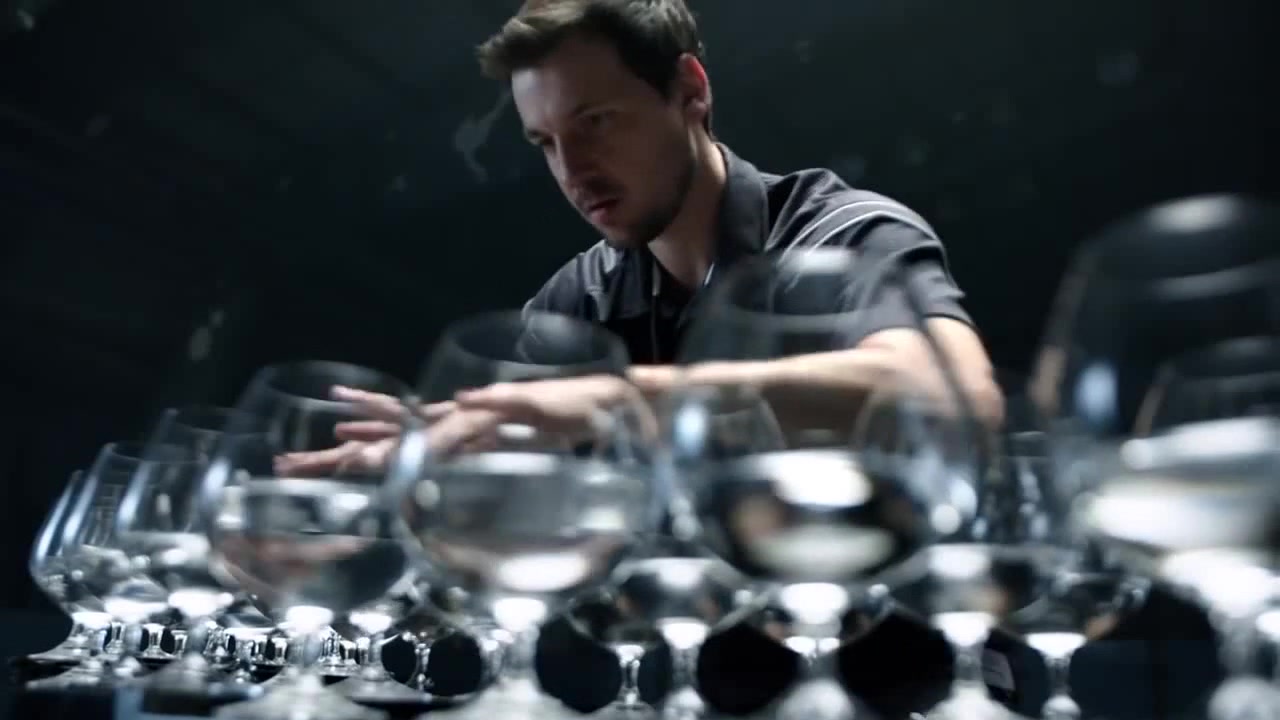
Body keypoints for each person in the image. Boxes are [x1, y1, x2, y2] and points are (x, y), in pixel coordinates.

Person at [279, 1, 1023, 715]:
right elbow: (508, 483)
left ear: (690, 90)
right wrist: (415, 482)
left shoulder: (845, 235)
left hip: (913, 689)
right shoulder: (576, 301)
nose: (573, 168)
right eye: (545, 142)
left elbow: (956, 396)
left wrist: (620, 398)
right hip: (689, 692)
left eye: (595, 121)